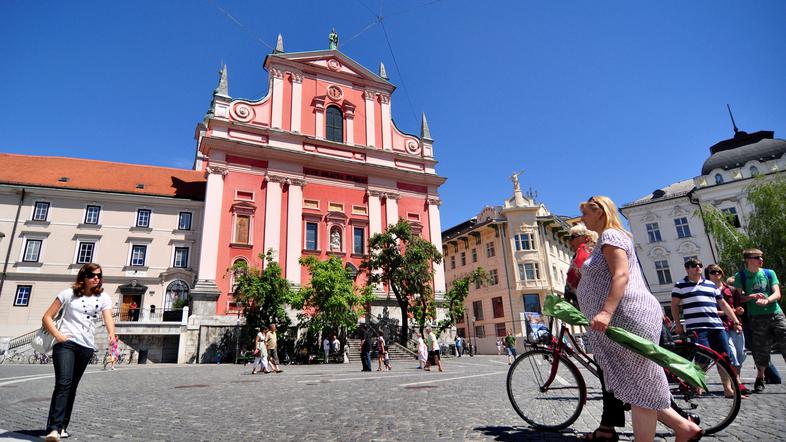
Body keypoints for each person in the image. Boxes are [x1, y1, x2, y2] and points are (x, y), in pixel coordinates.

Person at [577, 196, 702, 442]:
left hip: (626, 315)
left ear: (600, 212)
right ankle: (683, 428)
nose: (582, 219)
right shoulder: (607, 238)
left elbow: (621, 275)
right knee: (639, 383)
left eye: (585, 214)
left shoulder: (612, 236)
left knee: (639, 386)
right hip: (624, 316)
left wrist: (605, 312)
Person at [42, 263, 116, 442]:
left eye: (99, 275)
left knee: (72, 387)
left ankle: (62, 426)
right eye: (92, 274)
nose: (96, 278)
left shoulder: (103, 297)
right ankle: (53, 429)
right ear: (83, 276)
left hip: (86, 347)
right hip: (66, 344)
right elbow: (47, 317)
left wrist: (112, 334)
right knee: (63, 383)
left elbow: (108, 318)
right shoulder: (68, 294)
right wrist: (59, 336)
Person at [671, 258, 741, 397]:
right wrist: (678, 325)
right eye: (693, 265)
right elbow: (674, 305)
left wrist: (736, 321)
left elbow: (723, 305)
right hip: (697, 328)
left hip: (717, 327)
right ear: (687, 269)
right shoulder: (680, 285)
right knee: (702, 359)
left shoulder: (710, 285)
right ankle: (698, 385)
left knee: (724, 358)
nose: (697, 267)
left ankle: (727, 389)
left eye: (699, 265)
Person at [732, 248, 785, 393]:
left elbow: (777, 293)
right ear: (748, 260)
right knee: (762, 350)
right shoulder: (741, 276)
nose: (761, 260)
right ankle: (760, 377)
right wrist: (751, 297)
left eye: (761, 257)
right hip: (756, 318)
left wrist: (767, 300)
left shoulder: (769, 273)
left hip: (776, 313)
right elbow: (738, 299)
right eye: (757, 257)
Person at [706, 265, 750, 395]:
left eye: (718, 271)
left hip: (734, 324)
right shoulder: (706, 290)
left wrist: (739, 312)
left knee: (741, 354)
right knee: (731, 355)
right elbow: (710, 311)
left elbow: (737, 307)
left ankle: (737, 380)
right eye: (712, 272)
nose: (716, 274)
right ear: (708, 275)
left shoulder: (731, 289)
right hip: (719, 326)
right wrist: (725, 312)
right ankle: (737, 383)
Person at [565, 223, 598, 307]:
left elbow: (574, 274)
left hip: (588, 302)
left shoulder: (583, 249)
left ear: (586, 238)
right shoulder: (595, 251)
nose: (569, 241)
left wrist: (567, 295)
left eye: (573, 237)